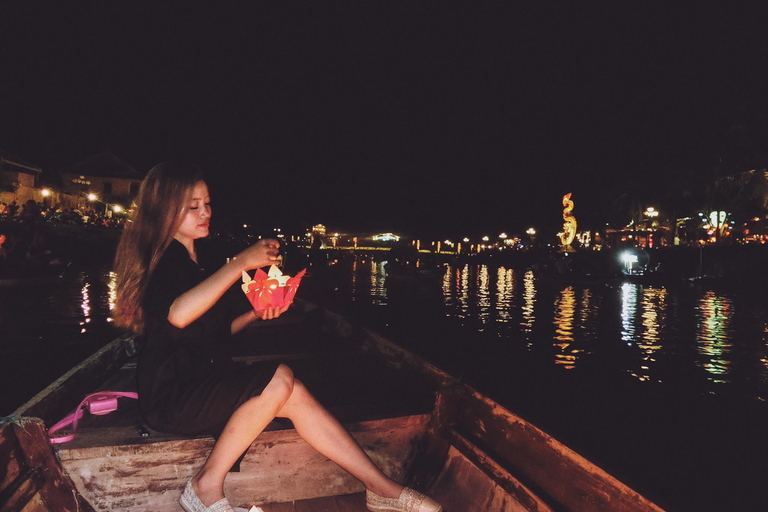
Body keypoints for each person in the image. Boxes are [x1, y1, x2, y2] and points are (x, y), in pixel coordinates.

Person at [113, 163, 442, 512]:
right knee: (280, 377)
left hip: (199, 379)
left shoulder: (195, 261)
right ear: (162, 210)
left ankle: (381, 489)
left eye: (207, 203)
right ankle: (206, 485)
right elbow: (177, 315)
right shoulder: (163, 262)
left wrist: (256, 313)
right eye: (193, 206)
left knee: (293, 391)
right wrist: (241, 262)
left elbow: (213, 331)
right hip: (172, 396)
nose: (206, 212)